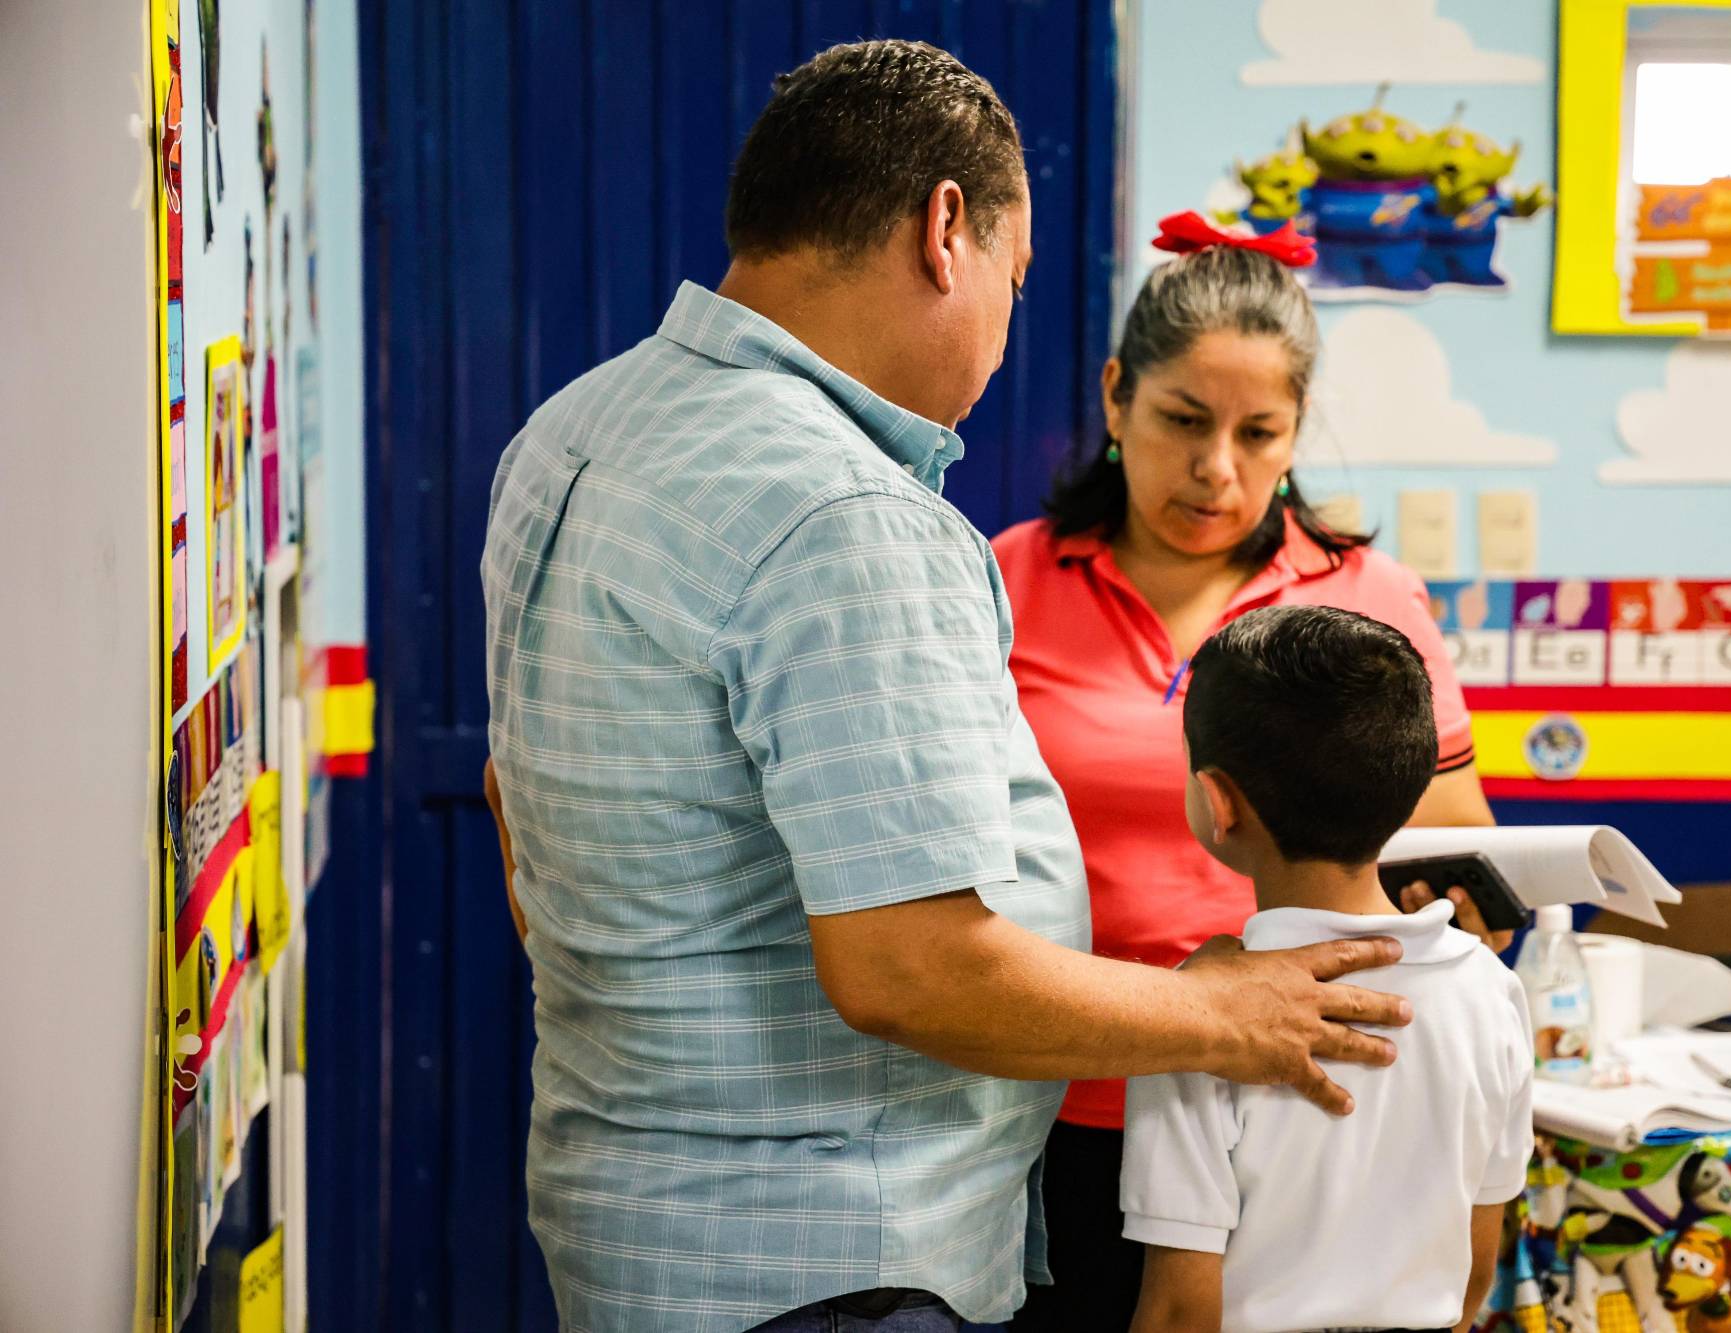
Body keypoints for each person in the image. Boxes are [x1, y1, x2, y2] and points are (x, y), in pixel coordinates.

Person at [480, 40, 1415, 1333]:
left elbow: (518, 817)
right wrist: (1211, 1012)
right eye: (1016, 283)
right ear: (944, 234)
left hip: (639, 1221)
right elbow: (908, 970)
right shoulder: (847, 507)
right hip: (829, 1267)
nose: (999, 335)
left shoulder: (571, 435)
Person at [993, 227, 1506, 1329]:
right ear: (1117, 395)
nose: (1215, 468)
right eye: (1182, 420)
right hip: (1048, 1107)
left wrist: (1464, 907)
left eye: (1256, 432)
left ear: (1293, 435)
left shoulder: (1370, 602)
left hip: (1299, 1100)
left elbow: (1450, 847)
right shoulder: (1000, 582)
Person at [1121, 605, 1533, 1333]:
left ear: (1218, 802)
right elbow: (1476, 1267)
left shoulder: (1192, 1017)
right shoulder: (1490, 986)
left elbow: (1180, 1308)